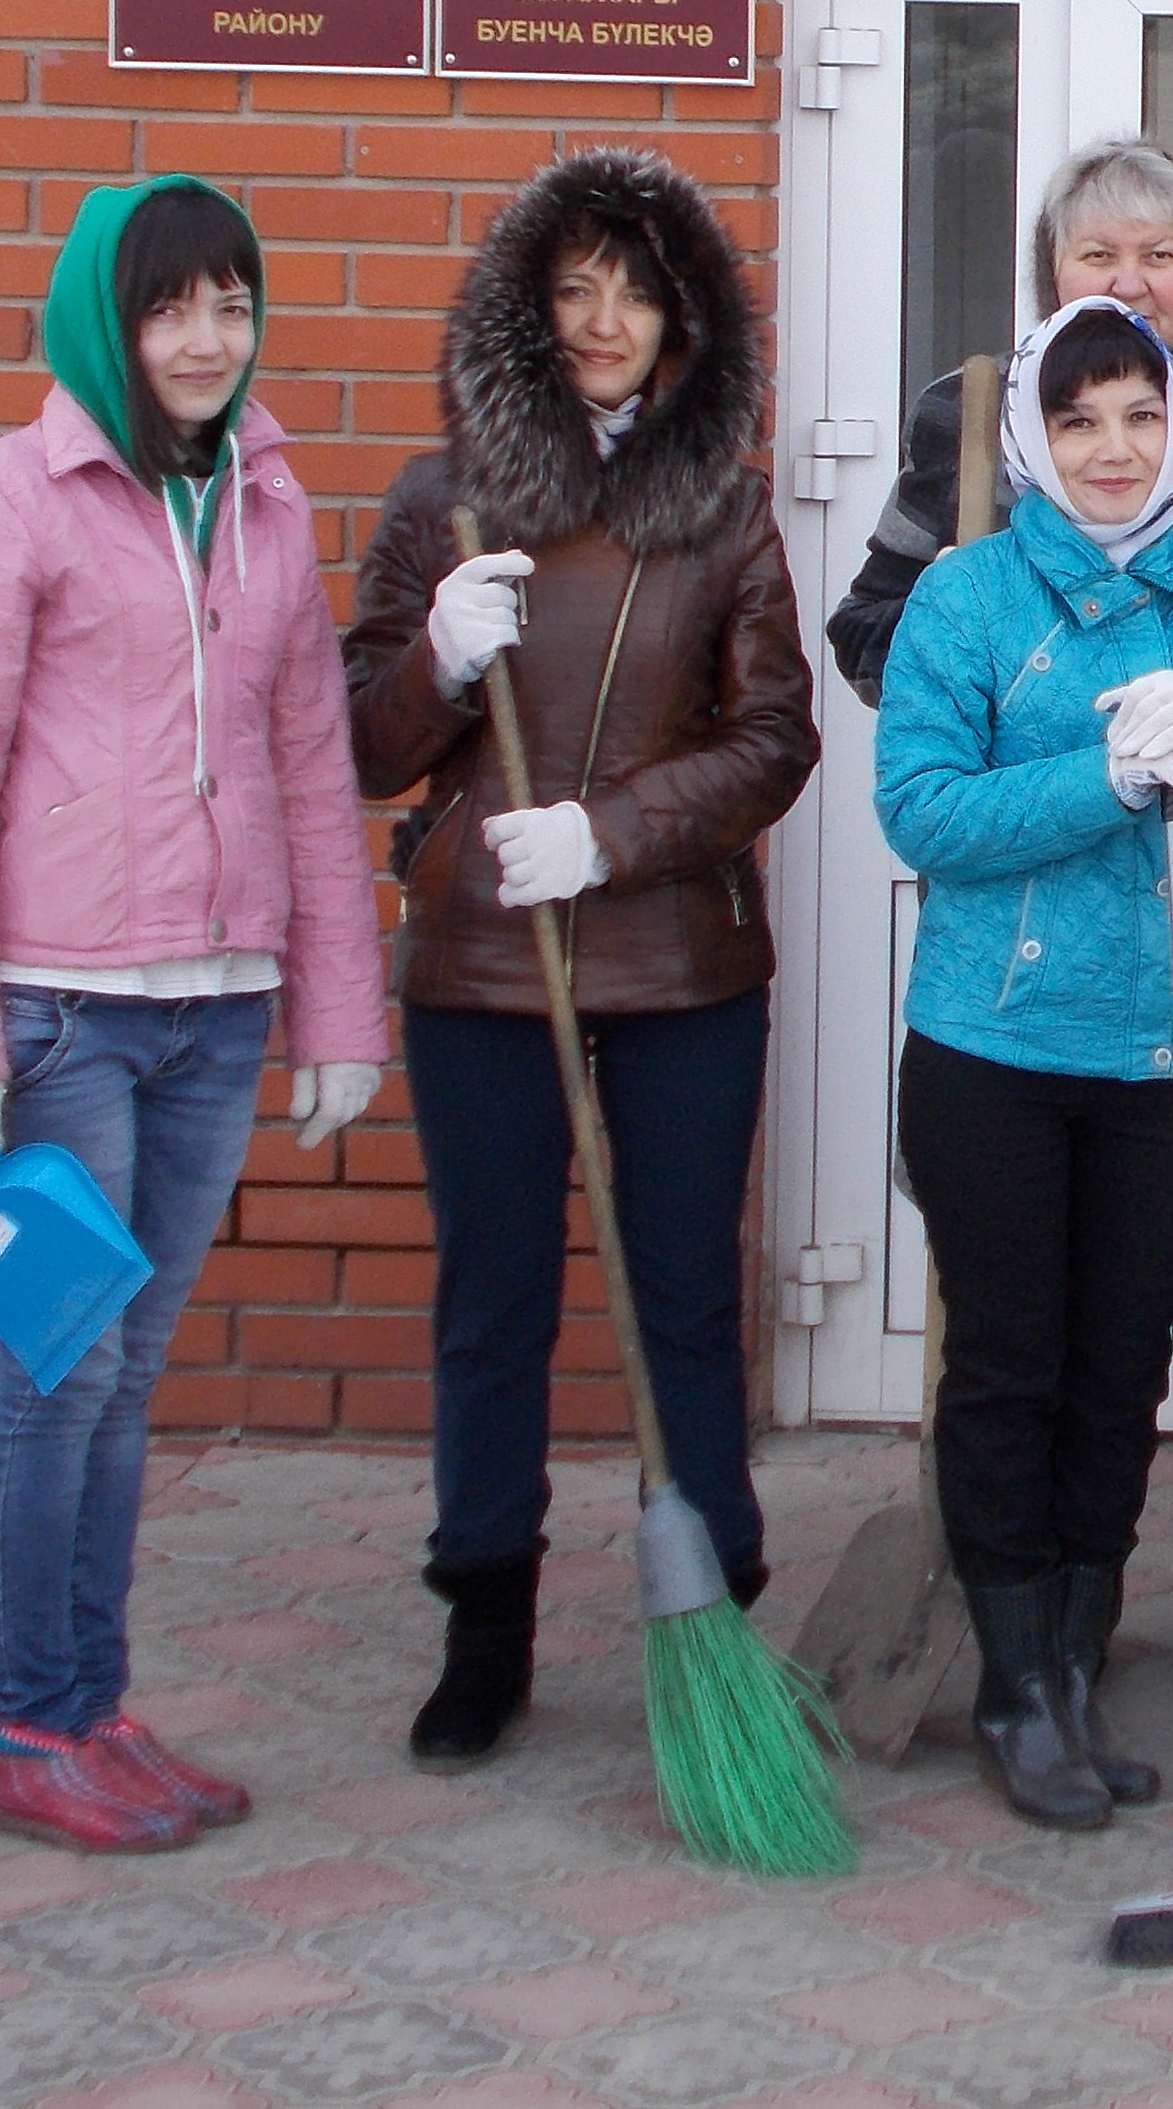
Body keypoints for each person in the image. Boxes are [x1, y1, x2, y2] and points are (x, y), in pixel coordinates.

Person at [0, 175, 388, 1852]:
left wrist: (337, 1015)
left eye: (232, 305)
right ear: (110, 319)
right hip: (57, 1018)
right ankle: (25, 1725)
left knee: (132, 1371)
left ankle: (94, 1709)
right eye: (172, 307)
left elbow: (312, 774)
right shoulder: (10, 498)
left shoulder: (258, 498)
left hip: (214, 1010)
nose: (205, 338)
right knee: (61, 1371)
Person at [826, 137, 1173, 1698]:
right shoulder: (968, 458)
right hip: (1026, 967)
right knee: (1032, 1334)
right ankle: (1032, 1647)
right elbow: (899, 701)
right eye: (1094, 257)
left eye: (1161, 255)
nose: (1130, 284)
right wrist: (1057, 735)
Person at [342, 147, 818, 1766]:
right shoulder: (444, 500)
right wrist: (437, 659)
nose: (604, 319)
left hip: (682, 966)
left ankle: (716, 1610)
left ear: (682, 320)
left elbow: (772, 743)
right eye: (572, 289)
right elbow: (359, 746)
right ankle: (486, 1617)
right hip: (487, 971)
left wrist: (612, 831)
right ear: (527, 317)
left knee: (683, 1295)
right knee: (492, 1299)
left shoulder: (729, 515)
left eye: (634, 288)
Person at [875, 297, 1173, 1826]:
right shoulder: (968, 599)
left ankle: (1074, 1657)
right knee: (1013, 1368)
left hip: (1172, 1045)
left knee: (1123, 1374)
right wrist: (1109, 774)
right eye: (1078, 422)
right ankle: (1013, 1686)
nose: (1113, 450)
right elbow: (924, 815)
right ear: (1033, 442)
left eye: (1138, 416)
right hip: (994, 1046)